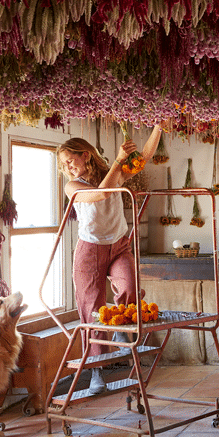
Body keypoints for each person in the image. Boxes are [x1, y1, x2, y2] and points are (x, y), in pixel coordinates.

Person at [57, 124, 163, 393]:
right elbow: (102, 193)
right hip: (90, 251)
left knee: (129, 288)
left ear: (86, 155)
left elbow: (144, 158)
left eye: (71, 160)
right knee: (92, 310)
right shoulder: (73, 186)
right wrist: (117, 161)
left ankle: (121, 332)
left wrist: (158, 128)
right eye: (64, 164)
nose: (68, 167)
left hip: (118, 246)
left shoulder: (112, 175)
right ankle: (96, 374)